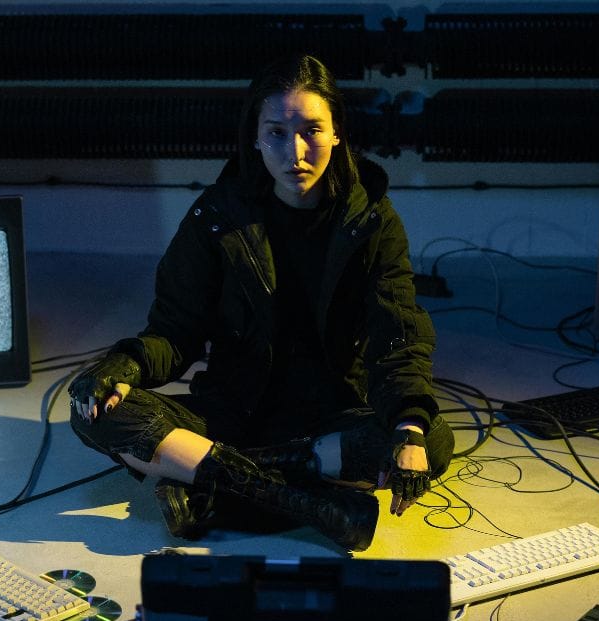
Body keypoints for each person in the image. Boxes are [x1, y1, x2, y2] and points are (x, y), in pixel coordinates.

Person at [68, 54, 454, 551]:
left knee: (433, 439)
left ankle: (212, 488)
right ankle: (311, 504)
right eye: (276, 132)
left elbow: (397, 337)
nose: (295, 151)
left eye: (312, 130)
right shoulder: (217, 216)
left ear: (337, 132)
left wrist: (408, 428)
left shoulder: (371, 221)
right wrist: (123, 365)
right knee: (90, 410)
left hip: (330, 417)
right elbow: (174, 330)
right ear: (255, 136)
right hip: (232, 413)